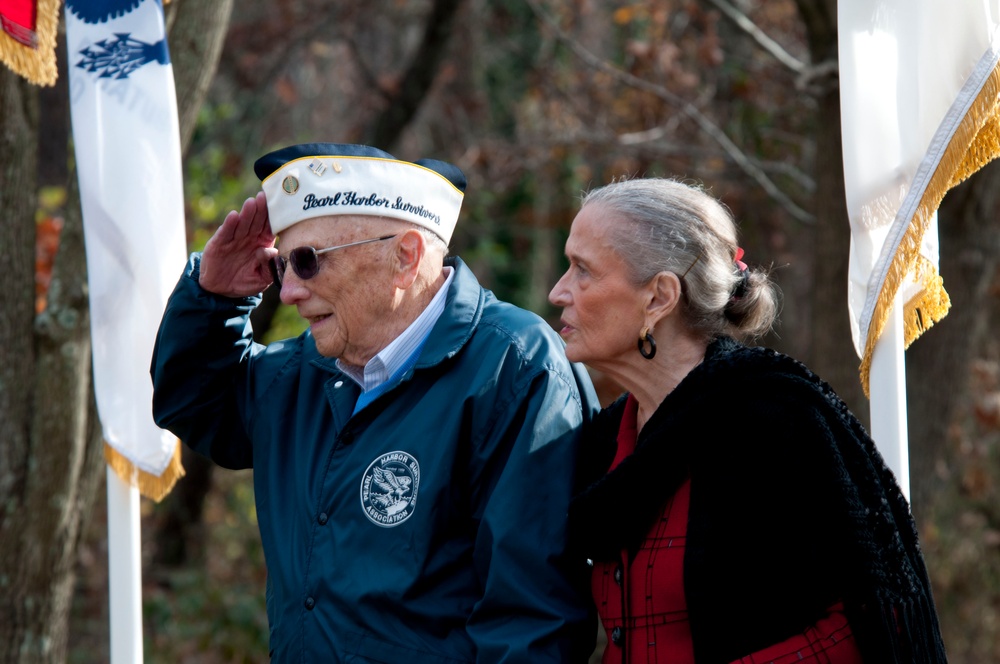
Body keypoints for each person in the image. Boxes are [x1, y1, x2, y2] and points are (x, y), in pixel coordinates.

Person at [151, 142, 599, 663]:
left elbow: (534, 623)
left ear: (404, 257)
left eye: (307, 261)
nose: (289, 291)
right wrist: (214, 298)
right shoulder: (306, 369)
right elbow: (193, 403)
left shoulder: (514, 368)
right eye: (282, 267)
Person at [548, 177, 948, 664]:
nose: (557, 292)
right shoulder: (607, 439)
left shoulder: (776, 417)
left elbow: (863, 625)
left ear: (658, 298)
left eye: (582, 271)